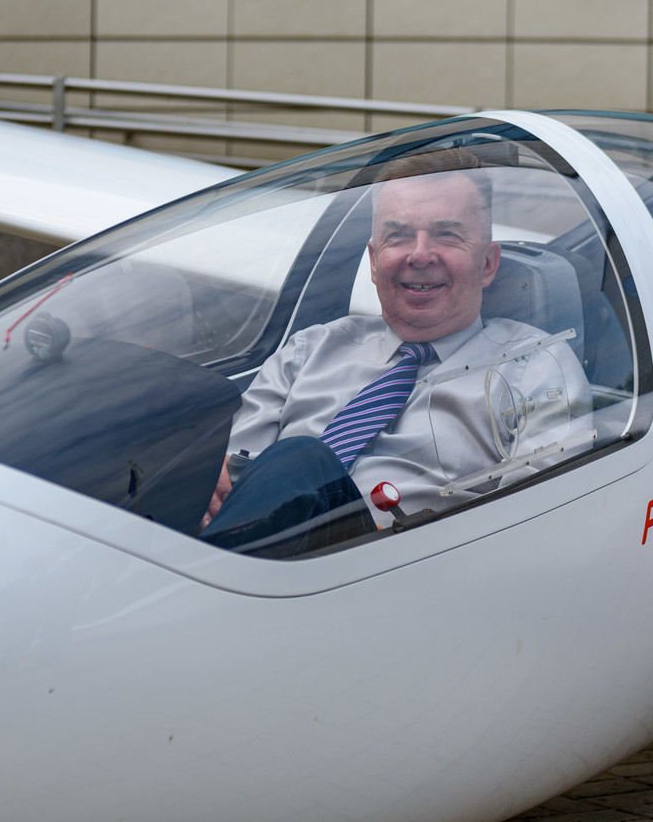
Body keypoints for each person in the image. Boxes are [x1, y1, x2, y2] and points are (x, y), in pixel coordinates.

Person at [200, 150, 591, 556]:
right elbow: (227, 481)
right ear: (373, 262)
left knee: (302, 460)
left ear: (488, 264)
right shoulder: (307, 351)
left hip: (411, 567)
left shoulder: (534, 365)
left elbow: (538, 521)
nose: (419, 255)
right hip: (266, 560)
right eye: (399, 236)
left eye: (447, 234)